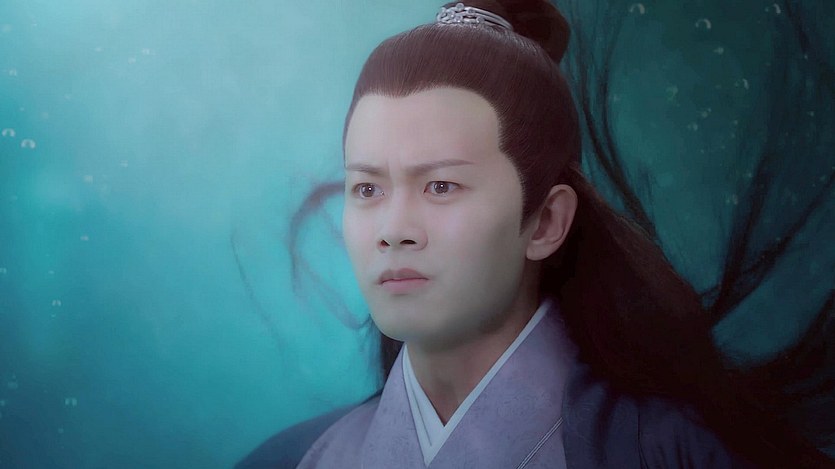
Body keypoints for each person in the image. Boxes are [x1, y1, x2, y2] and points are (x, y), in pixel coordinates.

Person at [237, 1, 834, 467]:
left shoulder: (673, 452)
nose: (393, 232)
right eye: (368, 189)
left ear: (546, 221)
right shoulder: (294, 460)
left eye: (441, 185)